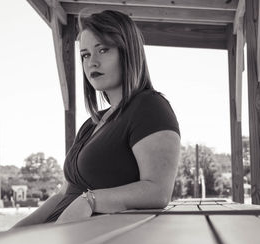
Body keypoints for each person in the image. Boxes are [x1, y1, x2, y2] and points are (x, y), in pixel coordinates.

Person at [12, 10, 180, 227]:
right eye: (85, 54)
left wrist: (91, 200)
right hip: (56, 236)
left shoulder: (150, 107)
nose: (92, 62)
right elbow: (63, 194)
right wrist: (13, 232)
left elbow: (158, 191)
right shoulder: (91, 123)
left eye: (103, 50)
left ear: (128, 52)